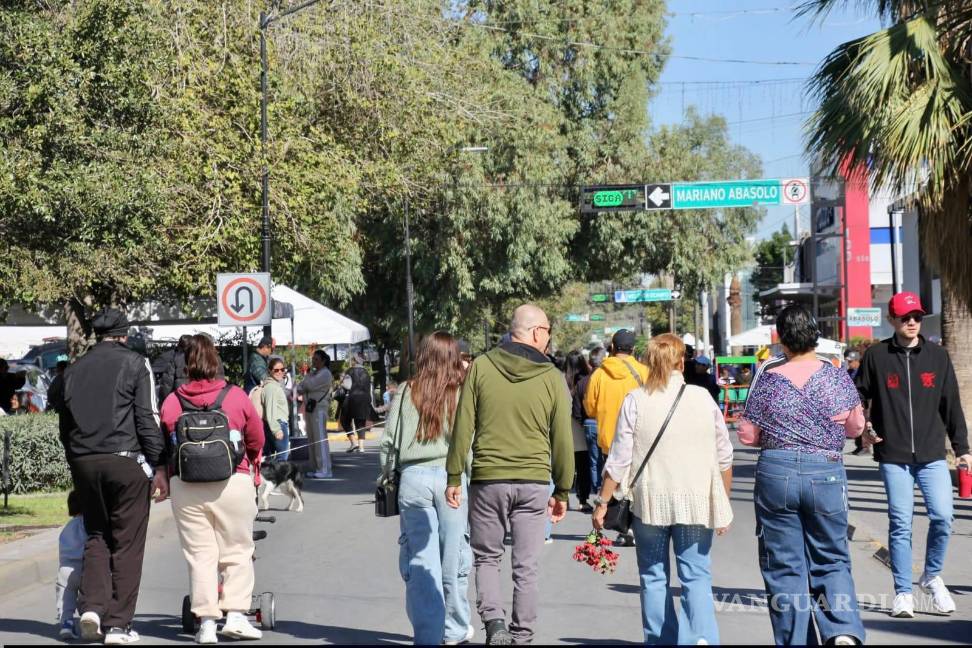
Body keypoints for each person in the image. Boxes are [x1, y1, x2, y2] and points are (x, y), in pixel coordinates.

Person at [593, 333, 733, 645]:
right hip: (696, 503)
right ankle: (700, 638)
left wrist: (602, 501)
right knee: (696, 575)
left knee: (653, 576)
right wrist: (722, 502)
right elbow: (724, 455)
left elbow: (619, 460)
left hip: (649, 504)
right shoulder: (703, 399)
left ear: (648, 363)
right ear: (681, 362)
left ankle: (661, 640)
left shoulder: (636, 401)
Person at [445, 304, 574, 645]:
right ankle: (522, 636)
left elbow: (463, 426)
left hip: (488, 479)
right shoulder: (551, 377)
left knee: (487, 557)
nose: (549, 337)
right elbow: (561, 438)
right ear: (535, 332)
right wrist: (562, 490)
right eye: (548, 330)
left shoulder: (482, 367)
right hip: (533, 483)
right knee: (526, 566)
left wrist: (454, 475)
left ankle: (494, 622)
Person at [739, 305, 866, 645]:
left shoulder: (767, 376)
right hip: (825, 471)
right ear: (815, 335)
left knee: (783, 566)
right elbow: (855, 427)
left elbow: (748, 435)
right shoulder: (835, 375)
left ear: (781, 338)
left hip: (775, 472)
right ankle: (841, 630)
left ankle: (796, 641)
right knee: (831, 556)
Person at [856, 291, 971, 618]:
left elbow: (951, 405)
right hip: (893, 455)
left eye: (917, 317)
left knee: (943, 516)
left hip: (933, 454)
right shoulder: (876, 356)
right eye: (905, 317)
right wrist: (863, 425)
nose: (912, 323)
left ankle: (932, 575)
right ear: (892, 319)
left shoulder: (938, 356)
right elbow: (857, 395)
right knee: (900, 523)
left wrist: (963, 450)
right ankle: (903, 592)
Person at [57, 308, 168, 644]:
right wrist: (159, 464)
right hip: (125, 460)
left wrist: (77, 459)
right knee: (128, 543)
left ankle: (91, 608)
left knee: (97, 534)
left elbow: (65, 425)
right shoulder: (136, 364)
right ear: (124, 334)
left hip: (84, 462)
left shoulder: (73, 370)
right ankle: (118, 624)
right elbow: (148, 418)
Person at [159, 334, 265, 643]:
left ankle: (206, 623)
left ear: (186, 364)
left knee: (199, 555)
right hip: (232, 481)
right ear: (215, 361)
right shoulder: (235, 396)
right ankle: (235, 615)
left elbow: (165, 439)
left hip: (187, 485)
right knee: (237, 550)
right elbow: (256, 438)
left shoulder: (173, 400)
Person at [378, 332, 474, 645]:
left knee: (421, 557)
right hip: (452, 479)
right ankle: (455, 629)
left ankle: (427, 635)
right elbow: (470, 442)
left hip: (413, 478)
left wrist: (388, 473)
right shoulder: (462, 392)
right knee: (454, 555)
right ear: (453, 356)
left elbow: (389, 442)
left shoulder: (407, 390)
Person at [583, 330, 648, 546]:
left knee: (615, 484)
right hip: (639, 440)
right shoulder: (643, 372)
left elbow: (590, 408)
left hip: (609, 440)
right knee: (635, 485)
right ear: (634, 349)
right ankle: (632, 527)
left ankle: (622, 526)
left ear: (612, 347)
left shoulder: (599, 375)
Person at [298, 350, 334, 479]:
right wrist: (306, 383)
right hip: (311, 409)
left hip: (319, 409)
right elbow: (301, 387)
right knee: (312, 439)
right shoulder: (314, 373)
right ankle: (316, 467)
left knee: (320, 439)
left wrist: (306, 382)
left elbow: (307, 385)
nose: (314, 362)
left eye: (317, 359)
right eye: (313, 359)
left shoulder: (325, 373)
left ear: (323, 361)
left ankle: (324, 469)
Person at [56, 491, 86, 640]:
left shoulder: (67, 528)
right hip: (86, 567)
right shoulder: (90, 525)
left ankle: (66, 623)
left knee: (65, 597)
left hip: (66, 569)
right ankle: (91, 618)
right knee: (92, 595)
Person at [565, 350, 592, 513]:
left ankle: (564, 496)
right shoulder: (587, 381)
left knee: (567, 466)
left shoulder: (561, 380)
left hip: (564, 430)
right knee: (583, 467)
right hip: (582, 429)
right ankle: (583, 500)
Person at [578, 347, 606, 496]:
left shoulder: (582, 382)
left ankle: (597, 491)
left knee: (594, 461)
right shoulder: (606, 379)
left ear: (589, 362)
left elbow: (577, 408)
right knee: (608, 458)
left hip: (589, 423)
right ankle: (608, 492)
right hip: (606, 422)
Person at [340, 353, 372, 453]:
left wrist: (342, 381)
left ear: (355, 360)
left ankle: (354, 442)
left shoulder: (350, 371)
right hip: (364, 399)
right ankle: (361, 447)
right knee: (360, 422)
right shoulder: (366, 373)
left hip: (351, 398)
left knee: (344, 420)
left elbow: (347, 386)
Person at [261, 357, 290, 462]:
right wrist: (276, 430)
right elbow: (270, 410)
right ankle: (280, 479)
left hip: (275, 424)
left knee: (274, 460)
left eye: (282, 369)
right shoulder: (272, 387)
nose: (280, 372)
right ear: (269, 371)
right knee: (281, 460)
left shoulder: (272, 385)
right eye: (276, 370)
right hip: (278, 424)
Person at [157, 335, 193, 402]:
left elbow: (167, 385)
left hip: (178, 399)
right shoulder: (200, 359)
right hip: (198, 400)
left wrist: (164, 400)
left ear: (179, 344)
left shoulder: (171, 358)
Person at [844, 350, 866, 455]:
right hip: (852, 402)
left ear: (857, 361)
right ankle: (859, 446)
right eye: (848, 362)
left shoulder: (863, 372)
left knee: (863, 424)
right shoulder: (849, 372)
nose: (849, 364)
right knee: (855, 424)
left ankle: (865, 447)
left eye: (851, 361)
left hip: (862, 402)